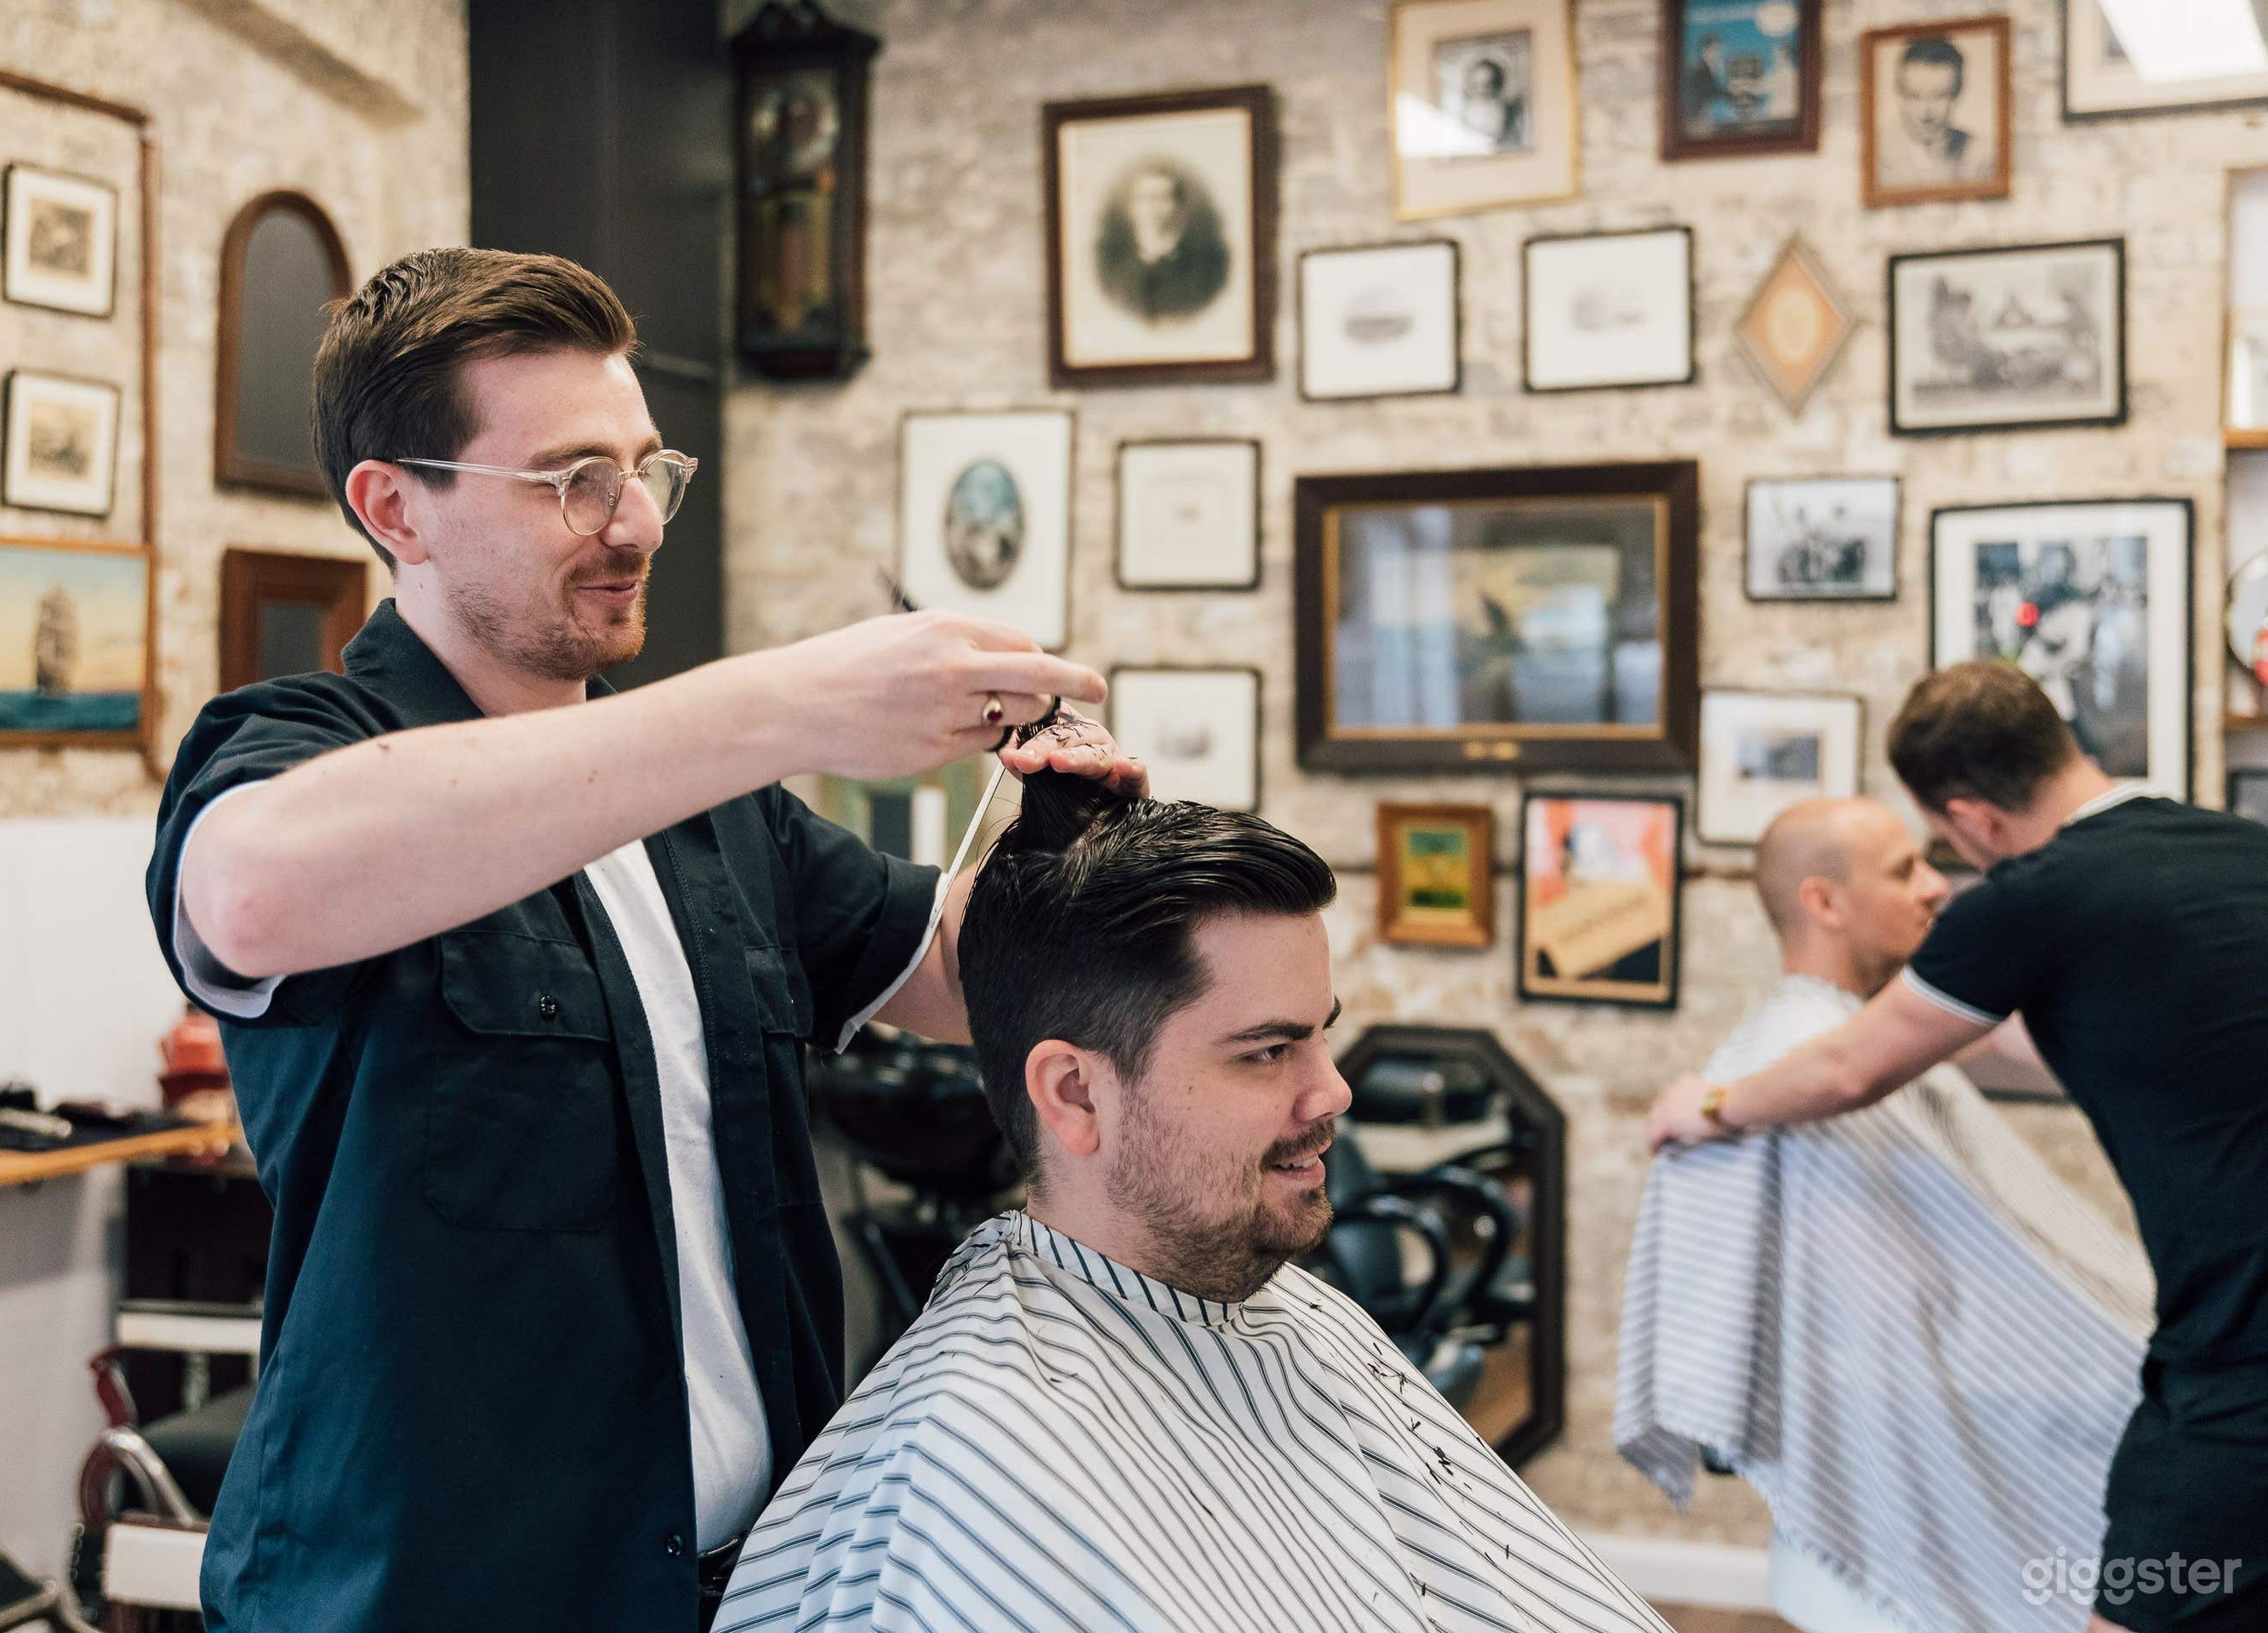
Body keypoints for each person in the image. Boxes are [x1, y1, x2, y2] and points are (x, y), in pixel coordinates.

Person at [146, 246, 1144, 1633]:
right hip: (433, 1594)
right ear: (398, 510)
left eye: (646, 470)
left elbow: (955, 976)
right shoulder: (300, 752)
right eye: (573, 481)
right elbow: (254, 891)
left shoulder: (710, 810)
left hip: (752, 1584)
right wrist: (787, 701)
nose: (637, 523)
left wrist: (1059, 842)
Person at [716, 771, 1673, 1633]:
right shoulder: (980, 1458)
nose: (1333, 1092)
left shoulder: (1284, 1311)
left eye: (1321, 1038)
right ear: (1076, 1094)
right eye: (1266, 1050)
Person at [1647, 662, 2268, 1633]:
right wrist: (1920, 1021)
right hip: (2238, 1339)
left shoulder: (2039, 896)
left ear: (1974, 817)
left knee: (2139, 1608)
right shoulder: (2236, 851)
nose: (1937, 883)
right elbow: (2084, 1039)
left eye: (1936, 851)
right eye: (1906, 869)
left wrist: (1708, 1104)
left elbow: (1852, 1070)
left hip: (2242, 1364)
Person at [1619, 799, 2151, 1633]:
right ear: (1824, 903)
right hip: (1901, 1430)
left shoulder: (1847, 1039)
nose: (1937, 886)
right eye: (1906, 869)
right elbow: (1874, 1323)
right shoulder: (1790, 1059)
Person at [1093, 161, 1228, 322]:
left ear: (1179, 207)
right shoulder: (1114, 272)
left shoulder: (1206, 270)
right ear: (1131, 208)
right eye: (1145, 198)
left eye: (1163, 198)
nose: (1153, 207)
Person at [1882, 35, 1990, 188]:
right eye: (1914, 96)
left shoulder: (1981, 155)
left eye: (1939, 96)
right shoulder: (1876, 154)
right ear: (1898, 93)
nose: (1925, 112)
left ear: (1957, 92)